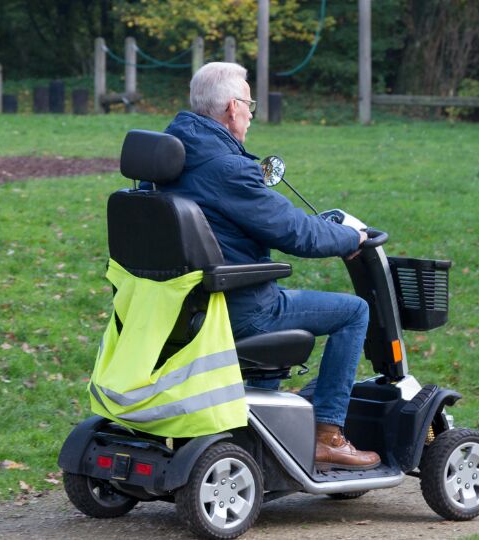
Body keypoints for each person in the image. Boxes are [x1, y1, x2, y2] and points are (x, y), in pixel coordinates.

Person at [157, 62, 380, 471]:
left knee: (275, 296)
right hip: (236, 309)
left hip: (179, 309)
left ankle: (264, 434)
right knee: (354, 311)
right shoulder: (227, 168)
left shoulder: (168, 161)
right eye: (249, 104)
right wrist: (353, 238)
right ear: (231, 108)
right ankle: (327, 434)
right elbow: (296, 232)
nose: (251, 114)